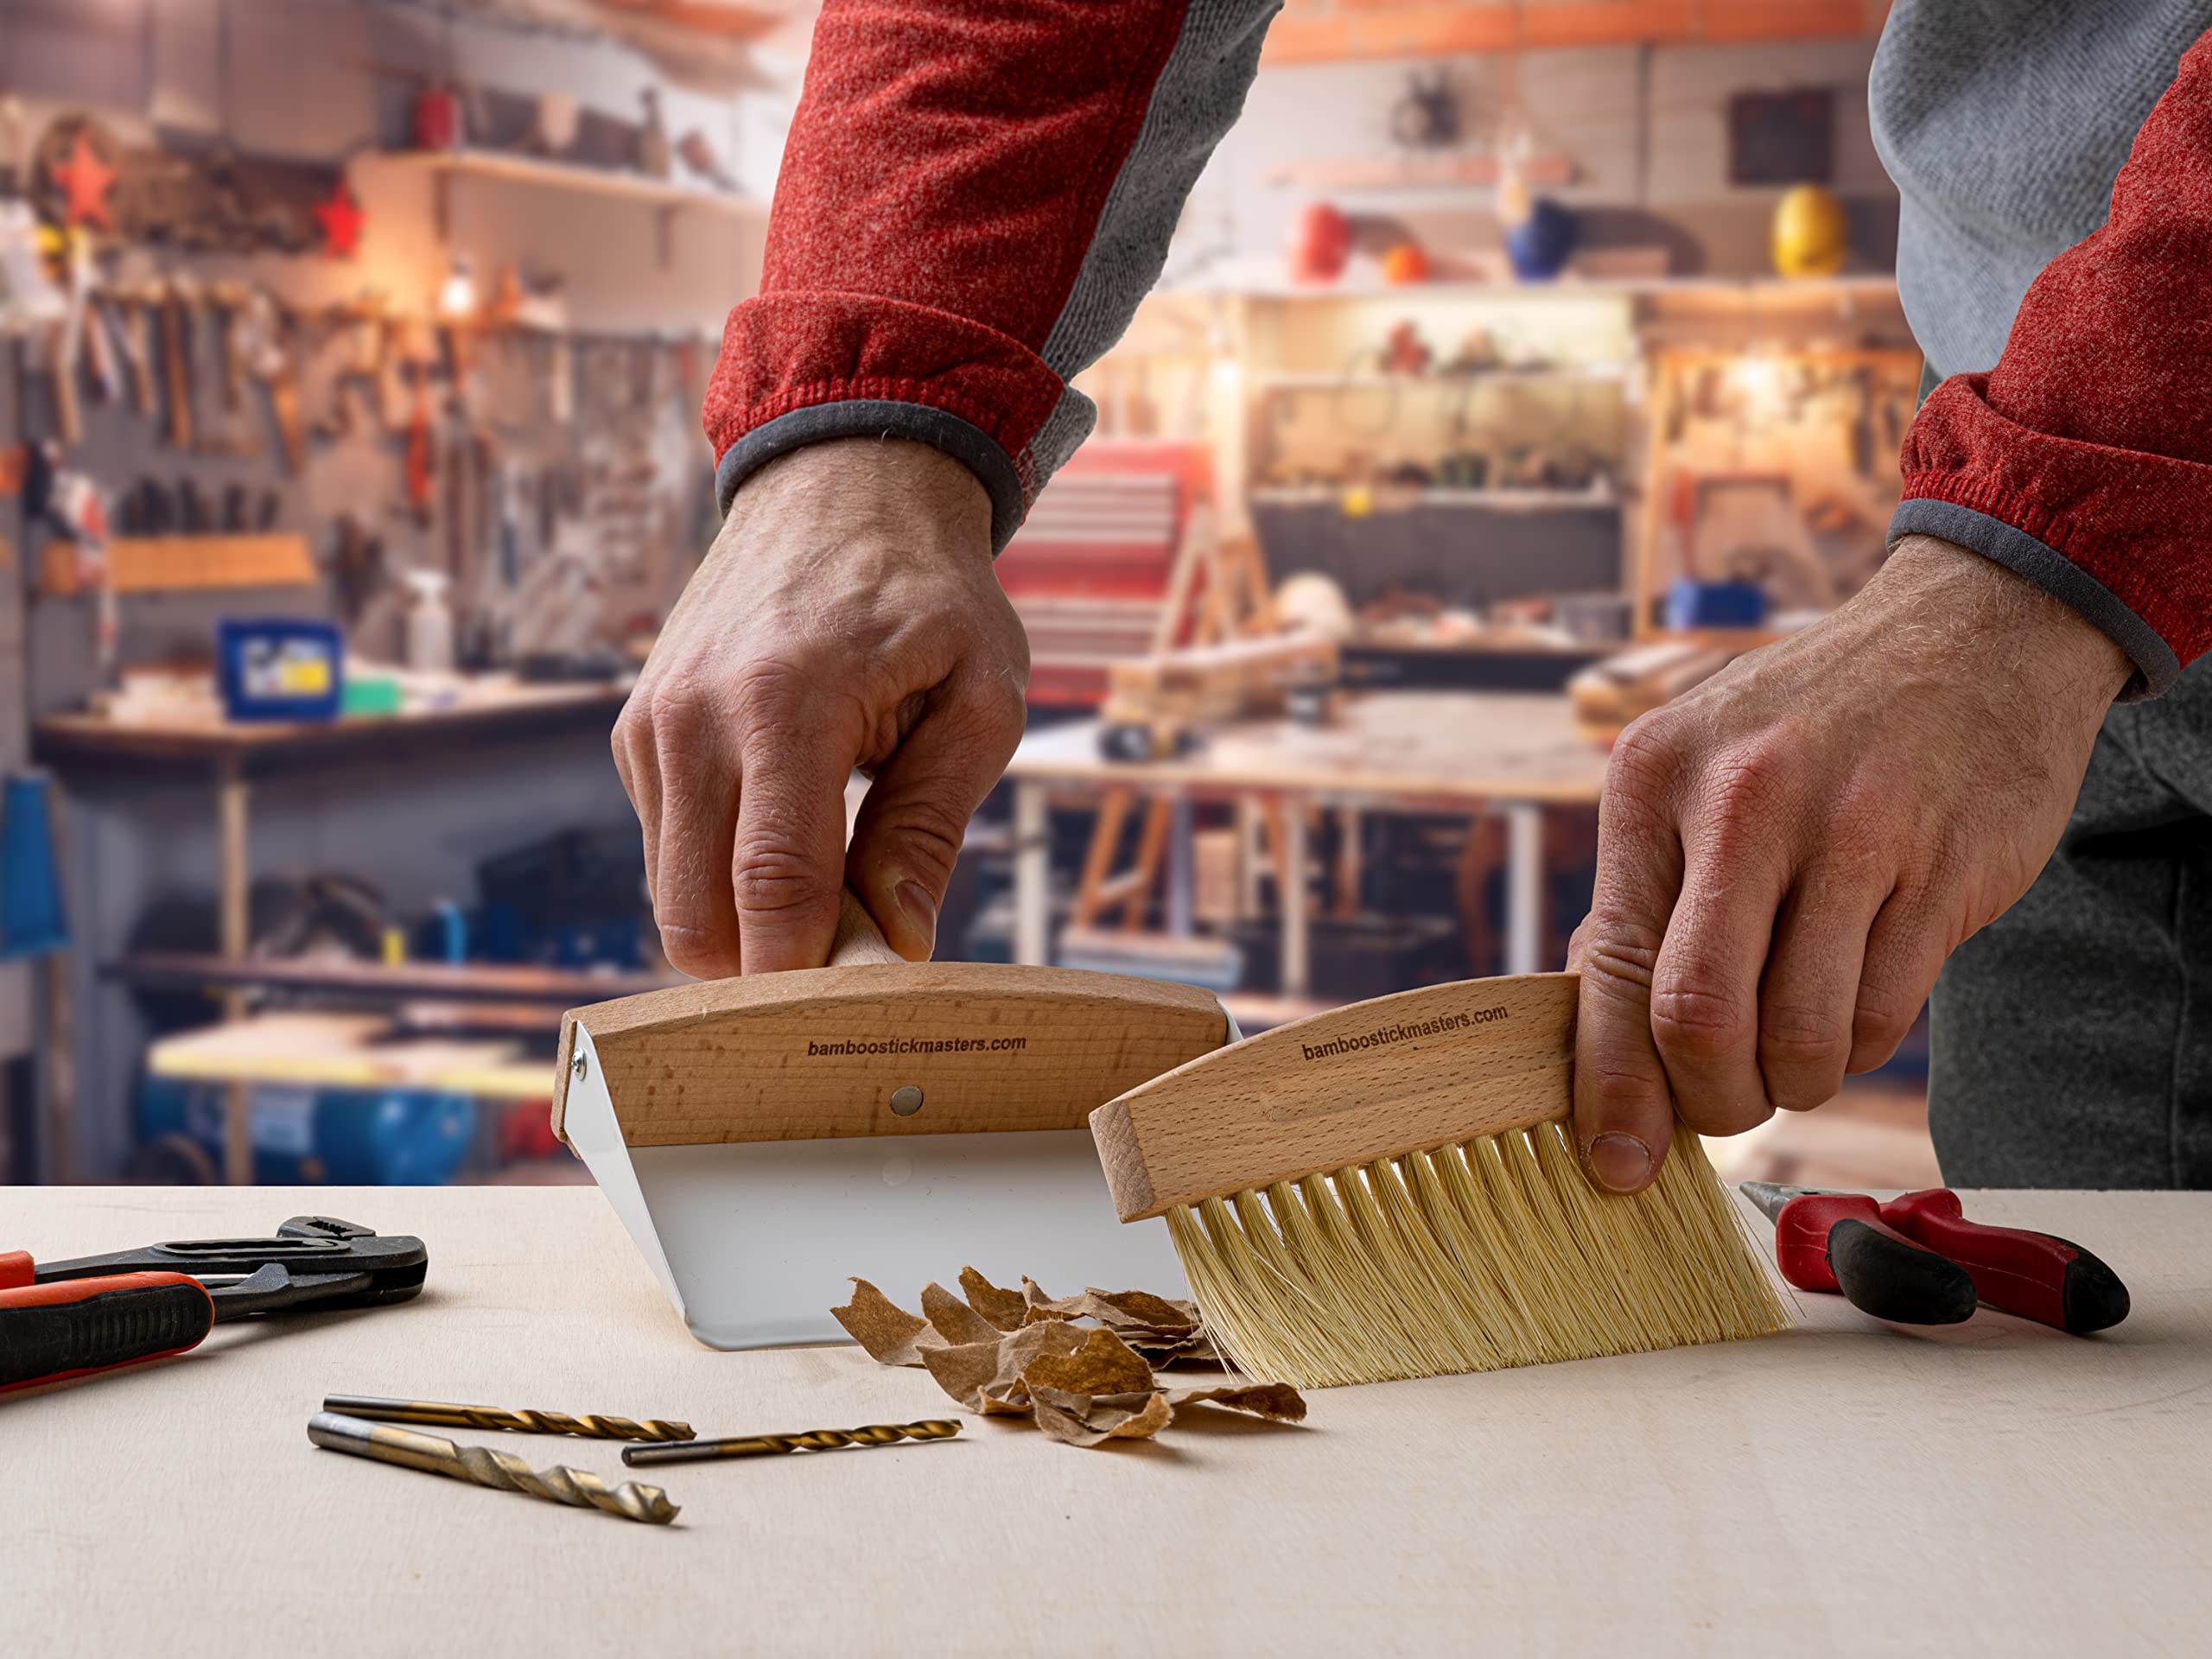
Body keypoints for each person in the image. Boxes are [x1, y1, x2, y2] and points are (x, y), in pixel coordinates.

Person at [616, 1, 2212, 1194]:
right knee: (2088, 1396)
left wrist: (2057, 524)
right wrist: (865, 420)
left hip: (2060, 545)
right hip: (2048, 574)